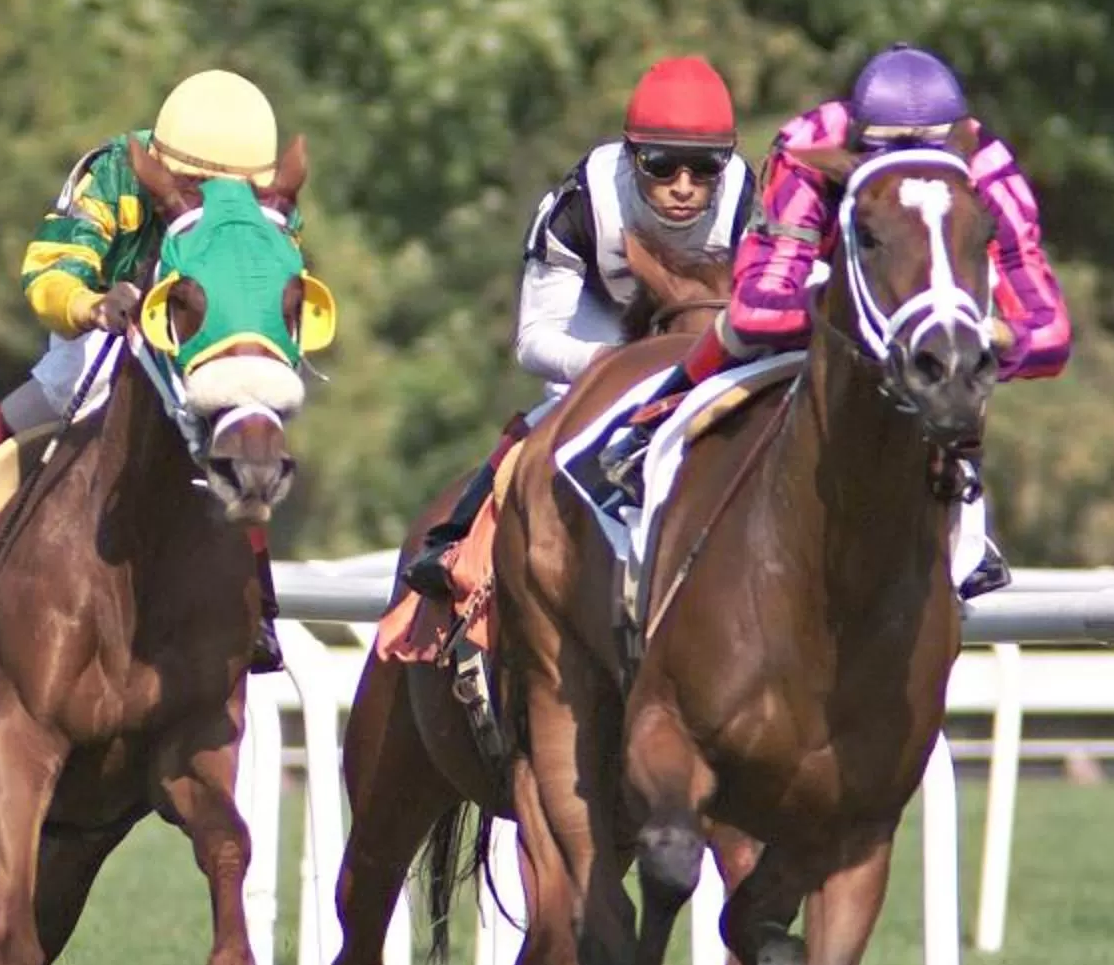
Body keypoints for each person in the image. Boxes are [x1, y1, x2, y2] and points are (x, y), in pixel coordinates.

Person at [597, 44, 1071, 597]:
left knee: (959, 351)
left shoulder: (985, 162)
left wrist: (984, 334)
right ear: (861, 143)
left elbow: (1051, 334)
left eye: (932, 147)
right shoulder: (809, 146)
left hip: (916, 310)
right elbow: (759, 310)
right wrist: (853, 313)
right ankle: (652, 424)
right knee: (737, 328)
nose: (918, 156)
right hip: (824, 289)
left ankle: (963, 496)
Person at [0, 68, 297, 668]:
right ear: (166, 165)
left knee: (247, 428)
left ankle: (261, 601)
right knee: (63, 385)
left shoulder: (265, 206)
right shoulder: (113, 174)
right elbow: (50, 268)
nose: (213, 202)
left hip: (200, 352)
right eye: (194, 186)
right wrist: (92, 305)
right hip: (108, 335)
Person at [402, 56, 750, 599]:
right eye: (661, 164)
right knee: (553, 419)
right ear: (633, 156)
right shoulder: (581, 206)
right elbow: (533, 343)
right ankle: (454, 537)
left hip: (701, 329)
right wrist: (613, 365)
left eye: (705, 168)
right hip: (600, 323)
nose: (684, 186)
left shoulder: (746, 199)